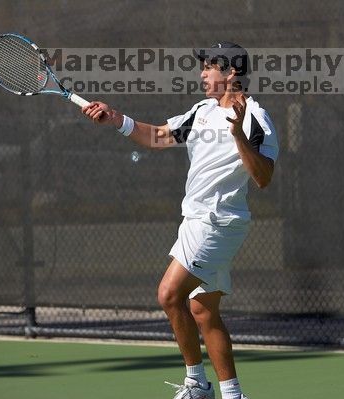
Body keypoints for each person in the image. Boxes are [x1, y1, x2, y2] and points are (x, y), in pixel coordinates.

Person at [82, 42, 278, 399]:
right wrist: (115, 119)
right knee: (203, 311)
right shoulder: (201, 111)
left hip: (217, 222)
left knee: (169, 294)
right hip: (194, 220)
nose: (202, 73)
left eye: (209, 67)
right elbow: (158, 136)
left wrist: (238, 138)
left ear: (230, 72)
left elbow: (263, 177)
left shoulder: (255, 118)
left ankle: (197, 384)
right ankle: (232, 394)